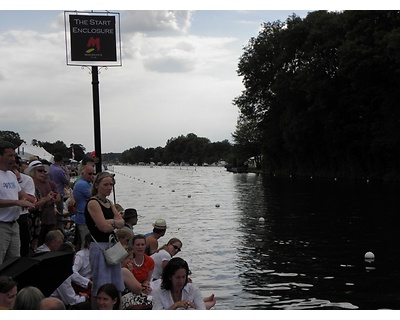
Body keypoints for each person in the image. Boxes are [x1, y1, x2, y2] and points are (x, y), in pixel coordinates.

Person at [84, 172, 125, 309]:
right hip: (99, 246)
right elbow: (103, 227)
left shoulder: (108, 202)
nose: (109, 187)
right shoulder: (93, 203)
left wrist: (111, 222)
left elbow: (121, 222)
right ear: (97, 185)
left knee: (116, 283)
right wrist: (113, 222)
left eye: (111, 185)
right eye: (106, 185)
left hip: (112, 245)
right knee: (101, 284)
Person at [0, 141, 35, 264]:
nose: (13, 159)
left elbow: (20, 193)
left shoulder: (11, 175)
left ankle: (11, 283)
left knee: (14, 262)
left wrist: (28, 199)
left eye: (14, 156)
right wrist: (17, 202)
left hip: (14, 224)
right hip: (1, 225)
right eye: (9, 156)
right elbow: (17, 199)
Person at [25, 160, 60, 246]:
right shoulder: (30, 185)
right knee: (38, 245)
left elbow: (58, 196)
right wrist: (46, 200)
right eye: (40, 170)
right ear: (33, 172)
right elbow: (31, 205)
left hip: (50, 218)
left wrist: (54, 199)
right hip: (37, 220)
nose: (43, 173)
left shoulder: (50, 183)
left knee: (51, 244)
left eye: (44, 171)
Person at [50, 242, 90, 308]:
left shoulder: (58, 268)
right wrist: (84, 297)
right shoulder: (62, 273)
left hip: (56, 301)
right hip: (54, 305)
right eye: (74, 256)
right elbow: (71, 301)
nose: (75, 258)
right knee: (86, 305)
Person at [13, 156, 36, 256]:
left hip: (22, 216)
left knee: (24, 246)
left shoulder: (27, 179)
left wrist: (17, 182)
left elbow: (31, 200)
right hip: (7, 217)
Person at [72, 164, 95, 248]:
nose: (92, 176)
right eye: (89, 174)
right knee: (86, 243)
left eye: (93, 174)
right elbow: (96, 195)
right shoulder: (82, 184)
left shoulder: (86, 183)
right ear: (83, 174)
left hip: (85, 217)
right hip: (84, 218)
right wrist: (96, 182)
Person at [48, 153, 70, 228]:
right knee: (59, 214)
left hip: (49, 193)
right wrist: (67, 172)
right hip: (58, 193)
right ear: (61, 161)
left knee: (51, 213)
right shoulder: (60, 170)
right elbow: (67, 181)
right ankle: (59, 229)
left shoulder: (49, 168)